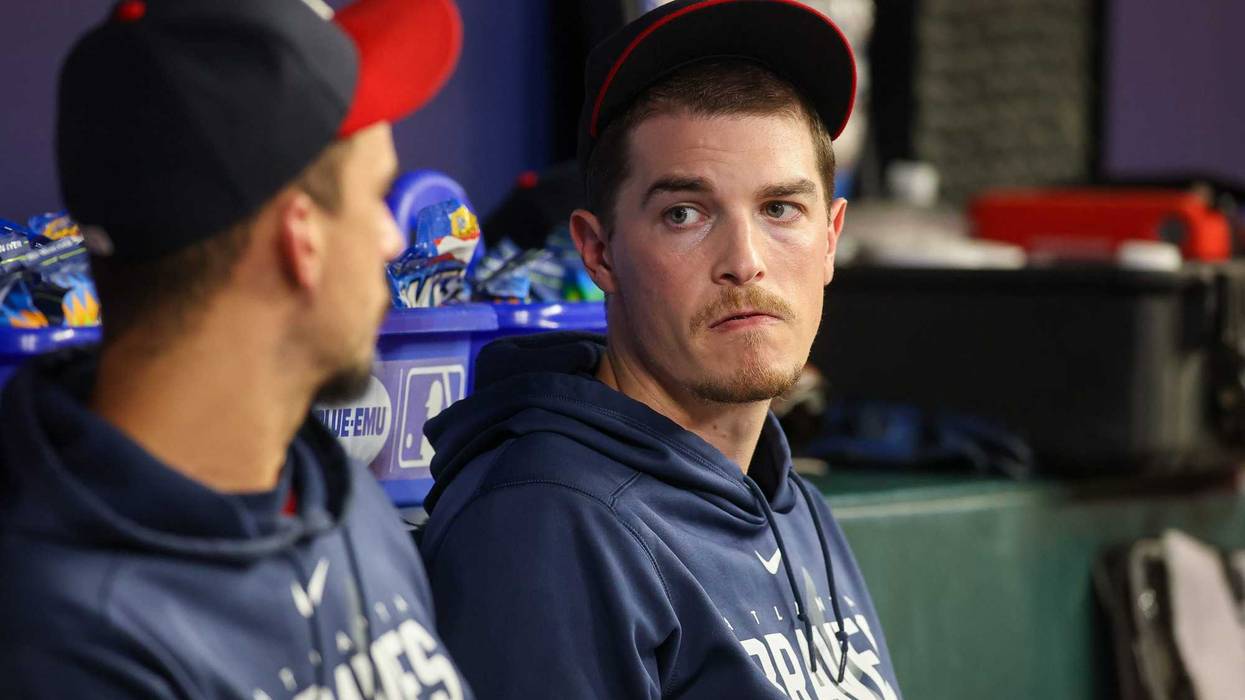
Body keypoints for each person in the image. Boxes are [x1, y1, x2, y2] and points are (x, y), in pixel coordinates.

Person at [418, 1, 903, 698]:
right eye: (684, 213)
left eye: (779, 210)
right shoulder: (543, 527)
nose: (744, 262)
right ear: (598, 250)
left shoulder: (790, 502)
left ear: (830, 238)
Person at [0, 1, 471, 698]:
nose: (393, 241)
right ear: (300, 239)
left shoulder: (339, 501)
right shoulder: (63, 631)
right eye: (374, 197)